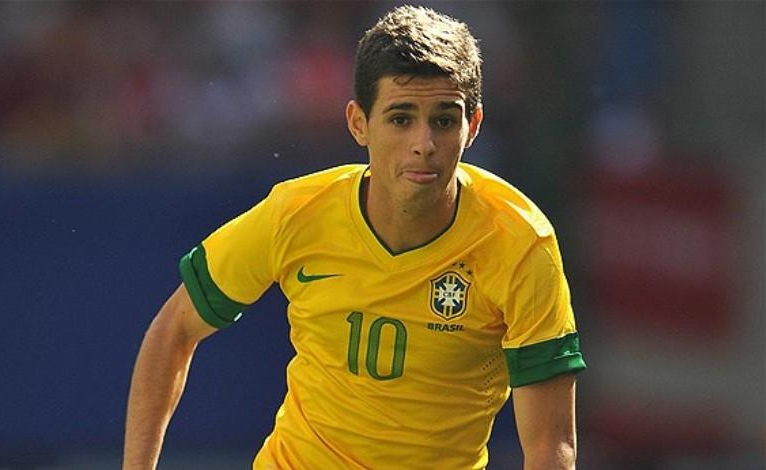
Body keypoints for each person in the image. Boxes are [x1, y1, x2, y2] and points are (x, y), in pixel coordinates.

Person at [123, 5, 586, 469]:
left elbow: (551, 446)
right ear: (358, 123)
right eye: (401, 119)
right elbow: (173, 330)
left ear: (474, 126)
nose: (424, 143)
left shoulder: (521, 244)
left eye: (444, 120)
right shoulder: (295, 213)